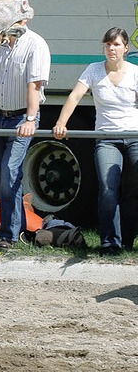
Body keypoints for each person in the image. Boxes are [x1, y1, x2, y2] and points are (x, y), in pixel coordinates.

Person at [53, 27, 138, 255]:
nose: (111, 48)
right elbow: (75, 96)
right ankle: (110, 243)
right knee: (108, 189)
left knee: (132, 191)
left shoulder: (135, 72)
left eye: (117, 44)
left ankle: (127, 240)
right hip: (107, 139)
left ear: (126, 48)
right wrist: (61, 123)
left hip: (134, 138)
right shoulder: (93, 70)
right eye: (108, 44)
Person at [0, 19, 50, 249]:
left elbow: (35, 85)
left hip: (21, 118)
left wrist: (31, 119)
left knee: (9, 171)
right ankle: (15, 229)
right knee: (2, 175)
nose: (8, 23)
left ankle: (9, 235)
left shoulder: (36, 44)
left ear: (25, 20)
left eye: (14, 18)